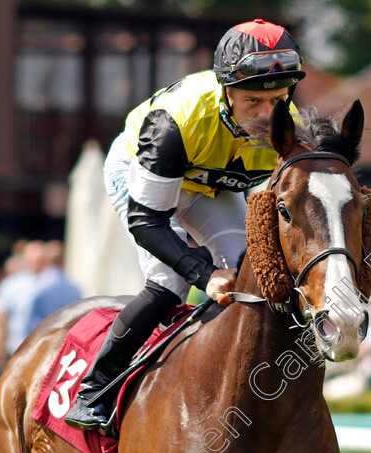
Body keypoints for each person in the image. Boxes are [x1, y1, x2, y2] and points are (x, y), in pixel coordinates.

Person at [65, 19, 306, 430]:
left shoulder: (290, 127)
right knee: (169, 285)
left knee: (248, 278)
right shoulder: (175, 122)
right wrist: (203, 273)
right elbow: (147, 223)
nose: (268, 117)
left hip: (208, 186)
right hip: (143, 176)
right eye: (253, 102)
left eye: (277, 101)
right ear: (226, 90)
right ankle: (95, 388)